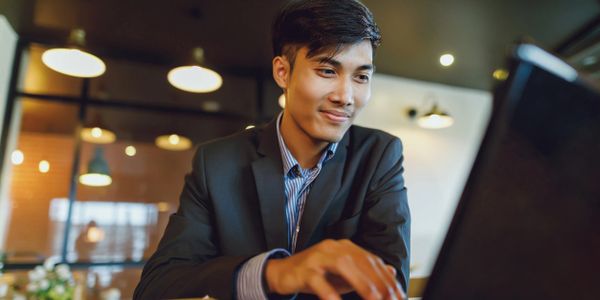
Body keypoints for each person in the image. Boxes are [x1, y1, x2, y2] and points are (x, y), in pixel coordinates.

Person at [134, 0, 410, 299]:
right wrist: (273, 273)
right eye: (327, 70)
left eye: (361, 76)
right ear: (282, 72)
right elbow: (158, 286)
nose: (345, 96)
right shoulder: (216, 163)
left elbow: (391, 284)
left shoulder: (379, 155)